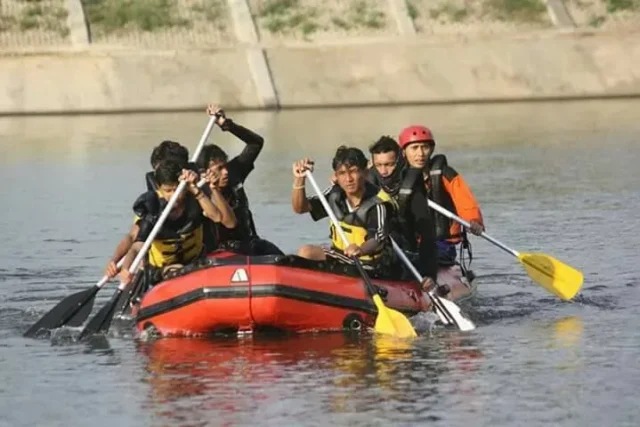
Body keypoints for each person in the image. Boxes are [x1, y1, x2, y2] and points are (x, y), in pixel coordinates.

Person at [119, 160, 237, 286]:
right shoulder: (152, 208)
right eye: (168, 191)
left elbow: (218, 218)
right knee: (176, 269)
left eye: (176, 190)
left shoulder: (194, 199)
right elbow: (136, 246)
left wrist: (199, 190)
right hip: (161, 271)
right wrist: (125, 268)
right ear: (160, 189)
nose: (173, 196)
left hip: (195, 263)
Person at [291, 146, 399, 278]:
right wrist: (299, 179)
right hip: (341, 255)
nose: (348, 179)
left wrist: (360, 249)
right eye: (342, 173)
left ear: (365, 173)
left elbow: (376, 239)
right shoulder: (334, 195)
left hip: (370, 264)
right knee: (305, 252)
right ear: (336, 175)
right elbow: (300, 208)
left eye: (353, 172)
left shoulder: (377, 204)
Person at [196, 104, 283, 256]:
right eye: (219, 168)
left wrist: (227, 125)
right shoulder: (200, 192)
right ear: (204, 172)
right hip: (221, 251)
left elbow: (255, 143)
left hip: (251, 242)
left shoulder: (234, 172)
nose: (225, 172)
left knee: (285, 261)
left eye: (225, 166)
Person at [104, 140, 191, 279]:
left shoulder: (198, 192)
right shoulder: (152, 202)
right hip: (162, 267)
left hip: (196, 261)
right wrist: (116, 261)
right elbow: (134, 237)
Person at [398, 125, 485, 264]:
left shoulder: (446, 174)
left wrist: (474, 220)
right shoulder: (398, 178)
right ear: (403, 152)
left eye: (425, 147)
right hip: (411, 241)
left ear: (431, 149)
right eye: (414, 148)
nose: (420, 154)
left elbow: (465, 201)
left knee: (426, 257)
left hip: (442, 243)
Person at [368, 136, 439, 290]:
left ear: (400, 159)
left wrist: (430, 274)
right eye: (378, 165)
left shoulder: (412, 185)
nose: (383, 171)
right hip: (371, 248)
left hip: (404, 252)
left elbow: (427, 232)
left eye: (389, 165)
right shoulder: (368, 179)